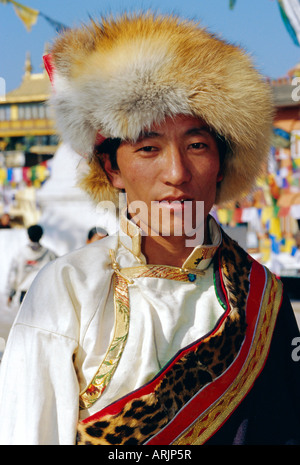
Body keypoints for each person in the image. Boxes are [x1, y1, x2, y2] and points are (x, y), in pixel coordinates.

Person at [0, 12, 299, 446]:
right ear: (112, 168)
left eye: (197, 145)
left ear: (221, 163)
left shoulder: (262, 297)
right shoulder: (67, 290)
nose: (176, 173)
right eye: (148, 148)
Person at [6, 224, 57, 305]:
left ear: (28, 236)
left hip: (25, 294)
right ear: (41, 236)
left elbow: (13, 274)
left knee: (25, 317)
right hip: (43, 293)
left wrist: (10, 294)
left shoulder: (20, 254)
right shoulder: (50, 254)